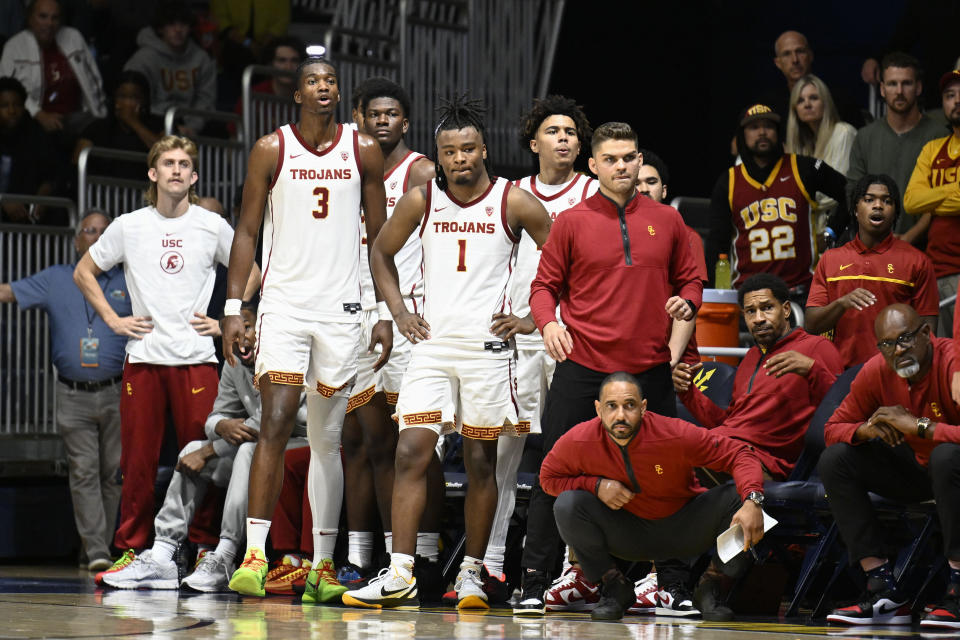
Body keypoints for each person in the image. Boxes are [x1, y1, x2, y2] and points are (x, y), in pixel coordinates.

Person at [341, 94, 552, 610]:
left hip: (487, 350)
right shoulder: (421, 198)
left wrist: (532, 319)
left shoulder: (515, 201)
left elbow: (567, 259)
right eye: (450, 151)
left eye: (468, 149)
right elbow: (380, 252)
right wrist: (397, 312)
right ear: (439, 153)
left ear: (484, 149)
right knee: (410, 448)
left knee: (480, 462)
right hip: (431, 347)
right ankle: (400, 572)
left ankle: (475, 574)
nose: (459, 159)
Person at [515, 122, 702, 615]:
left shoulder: (669, 220)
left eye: (630, 158)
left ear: (640, 161)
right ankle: (534, 583)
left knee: (668, 477)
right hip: (584, 367)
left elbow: (691, 277)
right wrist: (547, 325)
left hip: (649, 371)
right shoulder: (572, 222)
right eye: (612, 159)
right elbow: (542, 288)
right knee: (551, 472)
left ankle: (675, 585)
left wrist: (688, 301)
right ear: (593, 166)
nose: (623, 166)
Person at [221, 57, 388, 603]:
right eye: (314, 81)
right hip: (285, 305)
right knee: (274, 419)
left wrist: (382, 311)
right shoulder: (272, 148)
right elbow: (246, 231)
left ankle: (321, 564)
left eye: (331, 81)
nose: (324, 88)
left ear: (340, 93)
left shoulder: (362, 149)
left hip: (341, 310)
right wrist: (231, 305)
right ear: (297, 94)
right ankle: (253, 554)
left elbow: (379, 241)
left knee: (326, 440)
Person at [73, 135, 248, 581]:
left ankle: (204, 549)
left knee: (203, 456)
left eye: (184, 163)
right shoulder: (130, 225)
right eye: (167, 163)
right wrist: (113, 320)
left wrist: (227, 318)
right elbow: (84, 271)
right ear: (153, 174)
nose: (175, 170)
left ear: (193, 176)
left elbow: (253, 274)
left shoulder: (210, 224)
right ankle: (132, 549)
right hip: (145, 357)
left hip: (197, 359)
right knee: (137, 461)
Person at [99, 301, 310, 593]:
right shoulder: (235, 363)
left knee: (245, 451)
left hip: (298, 443)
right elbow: (216, 416)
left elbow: (268, 423)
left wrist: (211, 448)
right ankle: (163, 555)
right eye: (236, 331)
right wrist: (221, 426)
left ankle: (225, 555)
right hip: (254, 446)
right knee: (189, 451)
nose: (243, 337)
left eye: (249, 327)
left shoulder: (283, 356)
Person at [480, 94, 596, 606]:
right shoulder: (510, 194)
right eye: (554, 130)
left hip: (574, 338)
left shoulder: (594, 192)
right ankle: (492, 567)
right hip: (517, 340)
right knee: (505, 456)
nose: (565, 137)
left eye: (571, 130)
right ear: (533, 142)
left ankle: (572, 572)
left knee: (570, 456)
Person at [543, 372, 767, 621]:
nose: (620, 415)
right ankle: (614, 586)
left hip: (684, 530)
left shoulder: (674, 433)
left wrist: (753, 500)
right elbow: (548, 479)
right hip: (627, 533)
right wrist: (595, 485)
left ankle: (710, 586)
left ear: (643, 407)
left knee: (741, 498)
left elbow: (741, 454)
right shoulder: (579, 439)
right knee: (568, 505)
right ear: (598, 409)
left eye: (629, 406)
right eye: (611, 406)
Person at [339, 77, 441, 592]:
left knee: (416, 444)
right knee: (364, 439)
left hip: (408, 315)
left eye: (391, 113)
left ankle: (426, 556)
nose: (382, 121)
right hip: (355, 310)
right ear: (358, 117)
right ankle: (368, 557)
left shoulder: (422, 169)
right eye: (373, 113)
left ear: (405, 120)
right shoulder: (346, 167)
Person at [0, 210, 127, 571]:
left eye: (104, 231)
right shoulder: (57, 278)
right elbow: (8, 292)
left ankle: (97, 546)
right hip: (71, 395)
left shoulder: (128, 280)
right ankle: (98, 551)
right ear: (77, 240)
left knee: (113, 473)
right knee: (84, 472)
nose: (97, 236)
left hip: (117, 391)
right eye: (89, 230)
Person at [820, 303, 960, 629]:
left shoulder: (952, 360)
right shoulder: (877, 371)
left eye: (905, 339)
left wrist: (921, 428)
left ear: (927, 334)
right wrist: (867, 429)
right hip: (920, 471)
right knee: (836, 459)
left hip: (952, 468)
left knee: (945, 456)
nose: (897, 351)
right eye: (886, 344)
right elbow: (830, 429)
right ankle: (882, 588)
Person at [707, 104, 849, 301]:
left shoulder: (803, 167)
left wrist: (831, 231)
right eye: (754, 127)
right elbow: (717, 243)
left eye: (769, 126)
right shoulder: (728, 182)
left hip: (801, 292)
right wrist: (712, 295)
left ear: (778, 132)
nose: (762, 132)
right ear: (742, 135)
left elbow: (851, 193)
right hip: (748, 294)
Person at [806, 174, 939, 368]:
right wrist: (841, 304)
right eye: (869, 200)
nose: (878, 205)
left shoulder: (917, 261)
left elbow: (929, 333)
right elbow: (811, 324)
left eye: (887, 201)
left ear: (895, 212)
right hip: (841, 374)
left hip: (895, 373)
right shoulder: (830, 260)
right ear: (855, 210)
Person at [846, 53, 947, 244]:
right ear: (882, 89)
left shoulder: (939, 135)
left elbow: (942, 200)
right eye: (892, 84)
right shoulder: (865, 137)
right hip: (876, 246)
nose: (899, 91)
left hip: (927, 247)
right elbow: (855, 194)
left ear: (918, 87)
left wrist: (910, 237)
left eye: (906, 83)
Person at [903, 69, 960, 338]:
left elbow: (924, 199)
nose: (956, 101)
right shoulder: (932, 149)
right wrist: (953, 191)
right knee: (946, 358)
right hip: (939, 271)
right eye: (950, 96)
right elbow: (912, 201)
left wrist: (934, 196)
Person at [0, 0, 106, 135]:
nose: (49, 23)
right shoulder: (14, 46)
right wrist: (39, 114)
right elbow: (6, 90)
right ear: (30, 18)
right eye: (43, 16)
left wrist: (100, 115)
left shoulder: (73, 37)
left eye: (55, 18)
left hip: (78, 117)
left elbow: (94, 79)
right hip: (34, 120)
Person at [123, 1, 216, 137]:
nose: (178, 30)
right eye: (172, 24)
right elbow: (133, 97)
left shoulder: (201, 59)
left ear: (190, 28)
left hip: (190, 122)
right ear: (160, 29)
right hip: (154, 119)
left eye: (183, 25)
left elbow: (206, 100)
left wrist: (192, 127)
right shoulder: (143, 59)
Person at [0, 75, 65, 224]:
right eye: (4, 105)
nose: (11, 111)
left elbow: (52, 173)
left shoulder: (34, 133)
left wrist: (41, 199)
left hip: (29, 214)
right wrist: (3, 201)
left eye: (17, 105)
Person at [75, 70, 163, 180]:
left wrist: (133, 122)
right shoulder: (96, 129)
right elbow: (76, 167)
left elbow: (166, 154)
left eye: (134, 98)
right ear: (114, 100)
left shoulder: (158, 125)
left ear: (144, 101)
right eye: (122, 97)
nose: (127, 103)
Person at [229, 36, 304, 137]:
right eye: (282, 60)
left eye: (294, 61)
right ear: (271, 64)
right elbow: (234, 136)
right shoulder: (255, 95)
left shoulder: (310, 97)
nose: (288, 67)